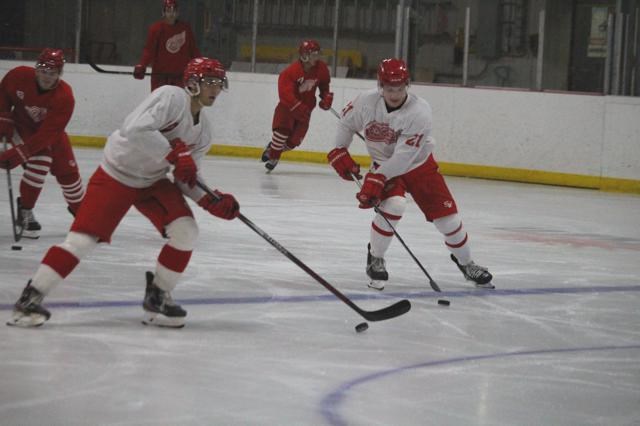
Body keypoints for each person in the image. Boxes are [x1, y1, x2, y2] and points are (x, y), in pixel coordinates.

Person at [7, 57, 240, 328]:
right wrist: (172, 154)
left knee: (186, 231)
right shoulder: (170, 97)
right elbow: (134, 127)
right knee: (81, 242)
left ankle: (158, 297)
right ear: (192, 83)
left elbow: (186, 176)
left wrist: (211, 200)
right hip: (116, 174)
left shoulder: (204, 132)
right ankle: (30, 299)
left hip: (152, 180)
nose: (215, 89)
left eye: (218, 83)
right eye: (209, 82)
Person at [327, 58, 494, 291]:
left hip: (419, 166)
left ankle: (466, 264)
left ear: (407, 85)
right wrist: (339, 149)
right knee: (394, 206)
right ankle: (375, 258)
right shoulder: (365, 102)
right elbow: (346, 124)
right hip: (385, 166)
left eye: (399, 88)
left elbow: (404, 157)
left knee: (449, 221)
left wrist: (378, 177)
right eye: (389, 89)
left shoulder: (419, 111)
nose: (394, 94)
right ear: (380, 86)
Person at [0, 48, 85, 239]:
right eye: (43, 71)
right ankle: (25, 212)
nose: (47, 77)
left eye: (52, 73)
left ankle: (83, 215)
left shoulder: (65, 96)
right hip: (21, 126)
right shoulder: (18, 76)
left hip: (49, 134)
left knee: (69, 173)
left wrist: (19, 154)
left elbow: (49, 134)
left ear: (59, 74)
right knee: (40, 159)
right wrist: (3, 117)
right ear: (36, 69)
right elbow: (3, 92)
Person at [260, 39, 333, 172]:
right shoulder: (290, 72)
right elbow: (285, 94)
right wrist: (298, 106)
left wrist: (325, 96)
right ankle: (274, 157)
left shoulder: (321, 68)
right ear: (305, 55)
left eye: (318, 54)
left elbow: (324, 84)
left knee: (293, 142)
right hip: (288, 107)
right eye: (313, 54)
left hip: (306, 110)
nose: (317, 57)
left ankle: (273, 149)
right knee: (282, 131)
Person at [133, 0, 201, 91]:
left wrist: (200, 67)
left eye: (174, 11)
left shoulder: (185, 29)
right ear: (163, 12)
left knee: (179, 103)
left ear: (178, 12)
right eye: (168, 11)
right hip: (160, 77)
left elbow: (193, 51)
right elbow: (149, 51)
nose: (171, 14)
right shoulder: (156, 29)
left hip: (180, 77)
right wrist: (141, 65)